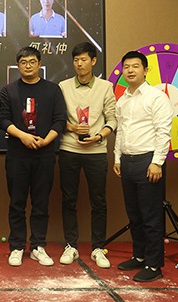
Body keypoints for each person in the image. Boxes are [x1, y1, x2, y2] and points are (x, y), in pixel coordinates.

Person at [0, 46, 66, 267]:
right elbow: (4, 121)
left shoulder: (52, 90)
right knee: (16, 203)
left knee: (41, 203)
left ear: (39, 64)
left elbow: (60, 120)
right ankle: (17, 246)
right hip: (17, 155)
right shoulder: (9, 91)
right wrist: (23, 136)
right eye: (23, 62)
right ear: (18, 65)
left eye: (32, 62)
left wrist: (46, 141)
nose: (28, 66)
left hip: (44, 154)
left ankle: (38, 246)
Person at [113, 50, 173, 282]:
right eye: (126, 67)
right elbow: (120, 131)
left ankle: (154, 264)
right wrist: (117, 158)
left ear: (146, 70)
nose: (130, 70)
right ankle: (139, 256)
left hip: (148, 162)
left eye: (135, 66)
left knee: (151, 215)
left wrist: (157, 162)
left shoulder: (157, 97)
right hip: (127, 162)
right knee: (134, 214)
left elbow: (163, 132)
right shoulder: (122, 99)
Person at [57, 42, 117, 268]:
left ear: (93, 61)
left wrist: (99, 136)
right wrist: (71, 128)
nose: (79, 64)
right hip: (69, 149)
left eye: (84, 60)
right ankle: (70, 245)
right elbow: (57, 118)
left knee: (98, 200)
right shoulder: (63, 86)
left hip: (96, 150)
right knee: (68, 199)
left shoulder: (106, 87)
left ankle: (98, 248)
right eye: (76, 60)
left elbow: (113, 119)